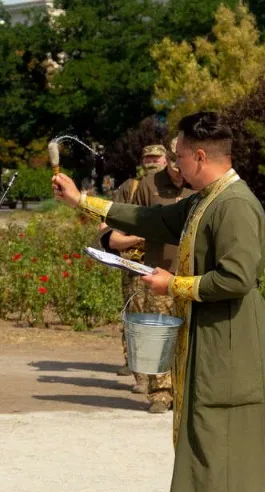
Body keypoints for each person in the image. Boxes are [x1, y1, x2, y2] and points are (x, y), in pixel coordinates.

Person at [52, 111, 265, 492]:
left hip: (235, 350)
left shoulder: (237, 205)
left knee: (238, 458)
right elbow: (154, 219)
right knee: (213, 456)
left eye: (178, 155)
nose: (174, 164)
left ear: (200, 156)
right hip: (214, 342)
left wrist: (172, 284)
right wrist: (82, 201)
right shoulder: (206, 200)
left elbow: (237, 278)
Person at [102, 142, 195, 413]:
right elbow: (130, 222)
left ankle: (186, 392)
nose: (179, 171)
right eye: (175, 163)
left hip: (192, 273)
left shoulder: (200, 185)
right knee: (158, 333)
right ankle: (160, 393)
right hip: (158, 271)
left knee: (190, 335)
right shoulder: (148, 185)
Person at [107, 145, 170, 382]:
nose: (152, 161)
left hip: (165, 264)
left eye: (157, 157)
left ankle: (159, 376)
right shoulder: (130, 187)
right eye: (148, 158)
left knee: (162, 322)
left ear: (167, 160)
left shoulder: (173, 187)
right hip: (135, 262)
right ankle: (140, 373)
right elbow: (113, 221)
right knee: (135, 317)